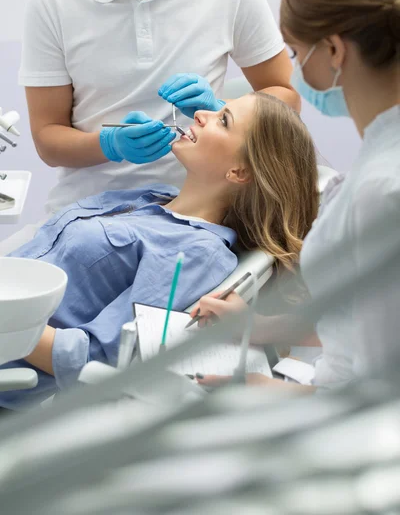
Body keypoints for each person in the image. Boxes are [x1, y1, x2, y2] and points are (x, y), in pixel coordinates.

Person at [0, 93, 318, 410]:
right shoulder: (151, 198)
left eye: (223, 120)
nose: (200, 115)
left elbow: (91, 360)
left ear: (239, 172)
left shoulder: (198, 253)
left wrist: (9, 319)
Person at [192, 0, 400, 392]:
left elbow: (381, 391)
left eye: (294, 50)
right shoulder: (379, 159)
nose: (292, 67)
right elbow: (363, 317)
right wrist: (259, 326)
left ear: (333, 50)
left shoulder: (384, 191)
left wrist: (256, 389)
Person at [18, 0, 299, 220]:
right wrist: (109, 144)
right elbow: (48, 139)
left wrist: (222, 109)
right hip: (88, 214)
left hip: (197, 215)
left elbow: (287, 97)